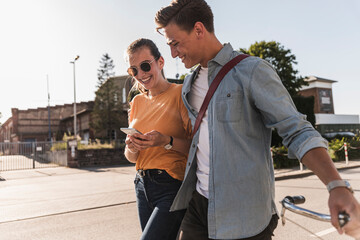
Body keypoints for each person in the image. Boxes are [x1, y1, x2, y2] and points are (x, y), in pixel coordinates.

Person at [154, 0, 360, 239]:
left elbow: (296, 130)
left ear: (199, 29)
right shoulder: (188, 84)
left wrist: (336, 186)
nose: (172, 53)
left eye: (175, 43)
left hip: (244, 214)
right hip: (198, 206)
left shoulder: (251, 71)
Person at [124, 38, 192, 240]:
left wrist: (166, 141)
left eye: (145, 66)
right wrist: (132, 146)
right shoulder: (136, 101)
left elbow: (197, 147)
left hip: (170, 185)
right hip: (141, 186)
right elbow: (131, 158)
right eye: (134, 70)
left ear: (160, 62)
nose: (141, 74)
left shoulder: (180, 94)